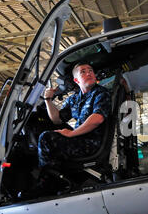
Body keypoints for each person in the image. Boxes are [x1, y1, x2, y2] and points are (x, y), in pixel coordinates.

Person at [20, 62, 111, 198]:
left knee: (47, 138)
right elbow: (57, 119)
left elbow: (97, 119)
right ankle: (59, 178)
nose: (89, 73)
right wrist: (48, 100)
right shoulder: (74, 99)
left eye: (90, 70)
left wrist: (72, 133)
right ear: (76, 80)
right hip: (79, 140)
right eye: (83, 72)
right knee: (46, 137)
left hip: (92, 143)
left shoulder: (101, 93)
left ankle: (48, 183)